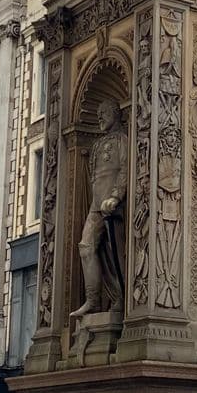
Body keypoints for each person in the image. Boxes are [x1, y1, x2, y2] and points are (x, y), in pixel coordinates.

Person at [70, 97, 128, 318]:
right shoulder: (97, 145)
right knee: (87, 247)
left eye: (104, 112)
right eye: (98, 114)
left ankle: (120, 298)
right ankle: (93, 299)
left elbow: (124, 169)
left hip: (114, 207)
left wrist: (116, 196)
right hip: (96, 205)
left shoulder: (122, 140)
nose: (100, 117)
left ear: (116, 112)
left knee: (115, 255)